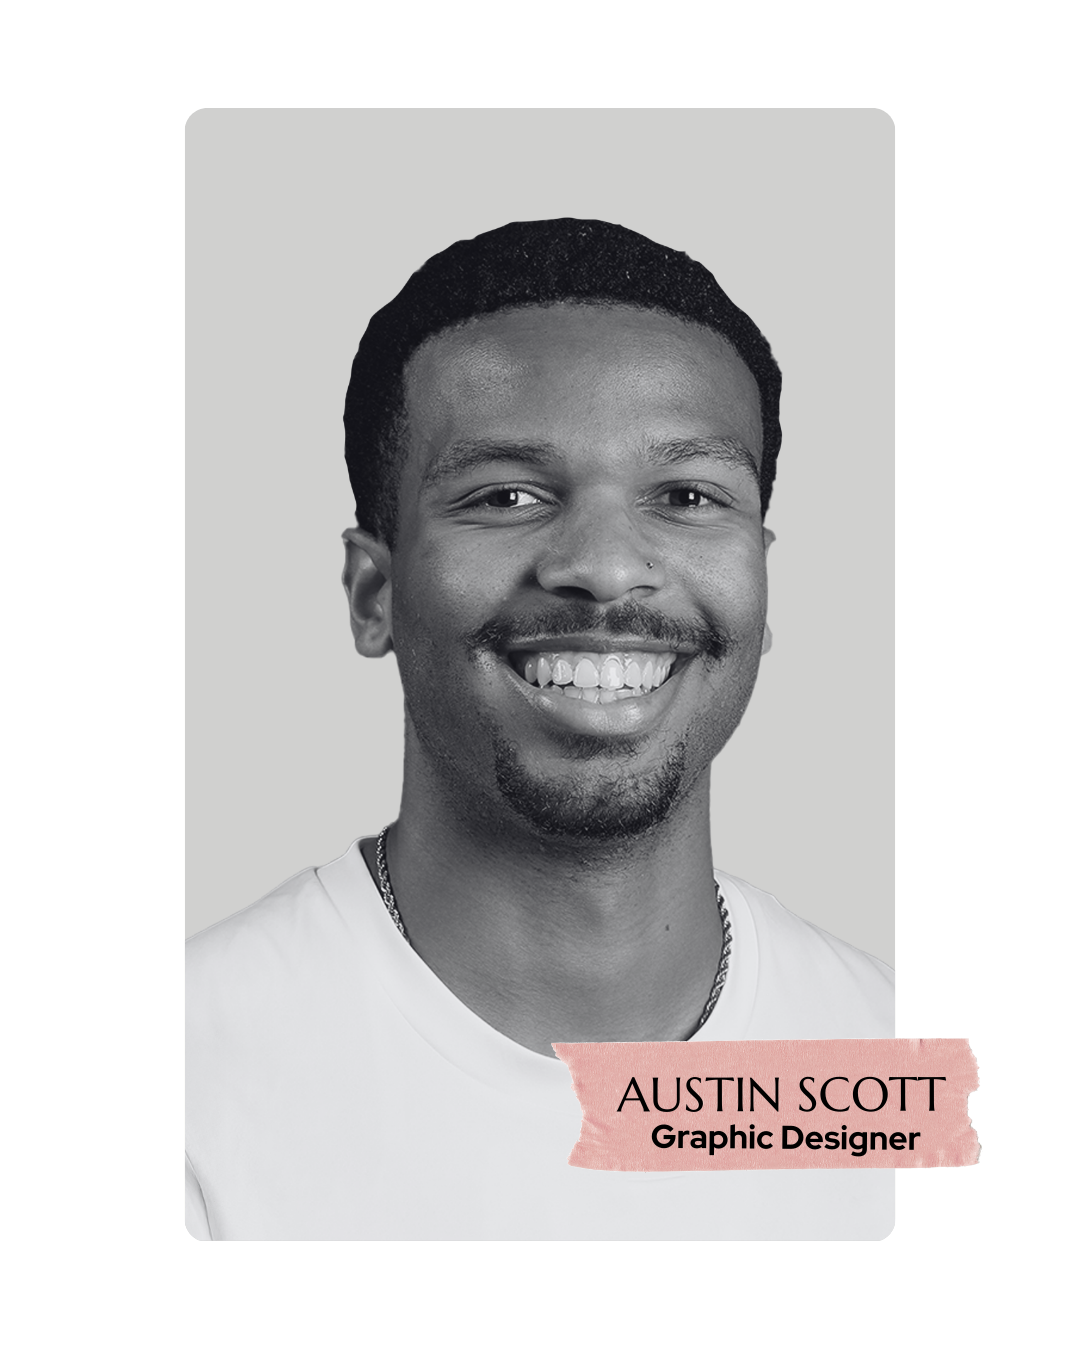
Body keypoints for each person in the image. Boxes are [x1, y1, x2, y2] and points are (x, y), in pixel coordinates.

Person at [184, 219, 895, 1247]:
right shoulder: (200, 1090)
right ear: (374, 593)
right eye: (506, 495)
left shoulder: (901, 1081)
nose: (605, 566)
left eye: (688, 497)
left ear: (763, 575)